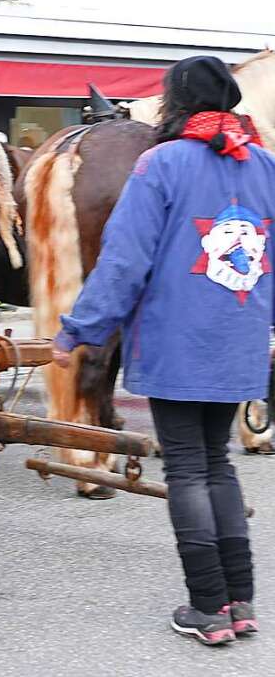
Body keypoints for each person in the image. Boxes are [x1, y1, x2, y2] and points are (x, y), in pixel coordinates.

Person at [52, 55, 270, 646]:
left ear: (176, 101)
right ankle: (239, 603)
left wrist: (79, 329)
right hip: (238, 339)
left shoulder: (160, 163)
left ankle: (206, 608)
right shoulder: (265, 164)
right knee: (218, 463)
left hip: (180, 341)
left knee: (188, 470)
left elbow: (123, 261)